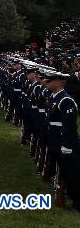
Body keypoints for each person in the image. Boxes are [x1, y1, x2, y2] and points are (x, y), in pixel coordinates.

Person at [42, 68, 79, 209]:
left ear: (58, 82)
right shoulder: (55, 97)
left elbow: (69, 125)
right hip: (55, 140)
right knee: (65, 172)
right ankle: (71, 195)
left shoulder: (65, 100)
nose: (46, 83)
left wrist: (67, 146)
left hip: (65, 143)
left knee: (72, 173)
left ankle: (77, 201)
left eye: (49, 81)